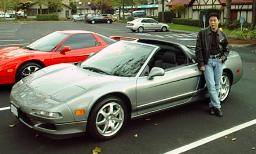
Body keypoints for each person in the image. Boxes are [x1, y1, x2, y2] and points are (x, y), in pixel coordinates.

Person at [195, 12, 229, 117]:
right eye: (211, 21)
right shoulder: (202, 33)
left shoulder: (222, 34)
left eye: (214, 20)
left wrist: (223, 58)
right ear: (209, 22)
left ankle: (212, 106)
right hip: (208, 62)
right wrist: (201, 63)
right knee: (211, 85)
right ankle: (218, 107)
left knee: (217, 85)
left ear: (218, 21)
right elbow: (198, 49)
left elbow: (227, 48)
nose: (213, 23)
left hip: (218, 61)